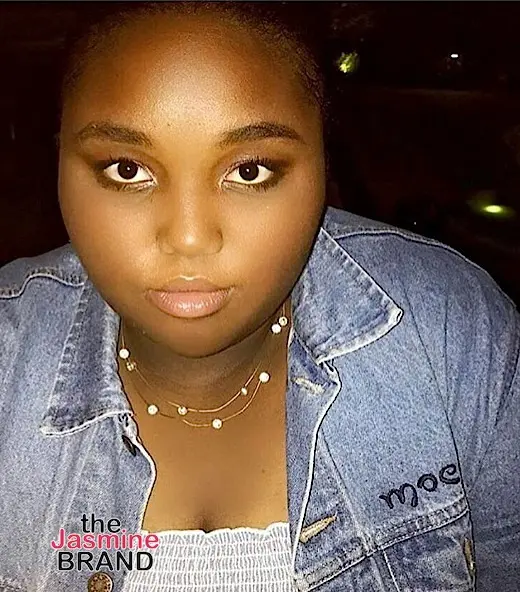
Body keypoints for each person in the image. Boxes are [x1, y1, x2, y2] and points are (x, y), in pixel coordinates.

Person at [0, 2, 518, 591]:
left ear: (324, 161)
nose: (189, 238)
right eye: (125, 169)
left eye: (249, 171)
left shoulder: (450, 331)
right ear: (59, 159)